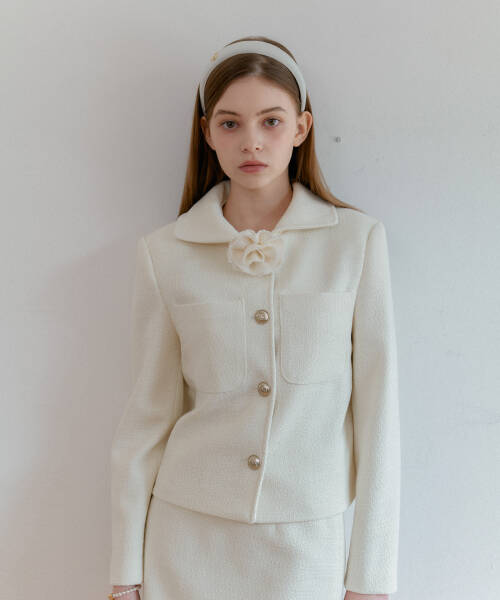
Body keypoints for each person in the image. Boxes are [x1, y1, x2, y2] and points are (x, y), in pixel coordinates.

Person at [108, 36, 400, 600]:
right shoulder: (165, 252)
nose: (252, 142)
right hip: (185, 540)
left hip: (305, 543)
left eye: (271, 121)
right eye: (230, 123)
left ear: (302, 127)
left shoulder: (356, 243)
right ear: (207, 132)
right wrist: (125, 572)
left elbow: (378, 414)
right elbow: (147, 416)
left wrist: (372, 576)